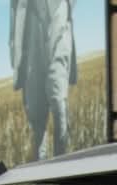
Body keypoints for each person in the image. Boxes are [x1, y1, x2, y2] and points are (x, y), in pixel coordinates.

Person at [11, 0, 75, 161]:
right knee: (37, 115)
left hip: (56, 26)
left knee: (58, 99)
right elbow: (14, 17)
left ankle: (63, 171)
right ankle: (42, 179)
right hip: (31, 36)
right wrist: (15, 55)